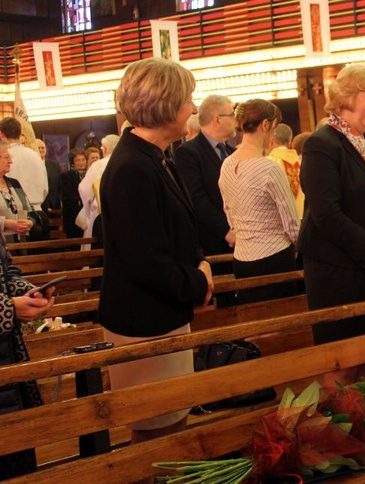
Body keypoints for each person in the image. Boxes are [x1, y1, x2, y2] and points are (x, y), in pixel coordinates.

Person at [98, 57, 213, 445]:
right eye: (188, 99)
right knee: (156, 428)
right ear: (164, 103)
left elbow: (181, 224)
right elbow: (144, 260)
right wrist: (197, 283)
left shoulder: (159, 156)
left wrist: (200, 261)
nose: (194, 108)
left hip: (164, 309)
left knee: (173, 419)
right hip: (143, 319)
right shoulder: (132, 166)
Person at [298, 64, 365, 387]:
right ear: (346, 95)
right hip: (337, 271)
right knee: (341, 364)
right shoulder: (322, 143)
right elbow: (326, 215)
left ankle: (363, 430)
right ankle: (337, 435)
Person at [219, 100, 300, 304]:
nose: (272, 136)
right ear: (265, 125)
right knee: (283, 324)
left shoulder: (227, 164)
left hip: (242, 258)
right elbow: (291, 222)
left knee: (252, 318)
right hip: (274, 256)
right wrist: (298, 245)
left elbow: (228, 210)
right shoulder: (268, 168)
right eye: (273, 128)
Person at [0, 231, 56, 480]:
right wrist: (8, 309)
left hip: (7, 360)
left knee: (17, 464)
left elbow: (6, 271)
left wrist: (30, 292)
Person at [174, 94, 236, 260]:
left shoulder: (232, 153)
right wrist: (226, 230)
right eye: (232, 114)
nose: (235, 120)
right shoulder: (188, 152)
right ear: (217, 119)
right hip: (212, 243)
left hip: (242, 240)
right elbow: (196, 199)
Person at [79, 134, 119, 249]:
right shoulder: (128, 161)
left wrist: (89, 211)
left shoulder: (98, 165)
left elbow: (84, 190)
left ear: (105, 149)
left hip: (102, 216)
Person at [0, 118, 48, 211]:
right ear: (20, 134)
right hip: (37, 210)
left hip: (15, 212)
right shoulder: (35, 155)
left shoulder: (3, 156)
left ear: (1, 134)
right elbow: (45, 188)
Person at [267, 123, 304, 219]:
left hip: (280, 220)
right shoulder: (302, 162)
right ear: (290, 142)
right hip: (303, 217)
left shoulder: (268, 163)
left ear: (271, 140)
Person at [0, 142, 35, 243]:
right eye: (6, 157)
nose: (10, 161)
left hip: (22, 244)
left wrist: (30, 222)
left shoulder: (14, 183)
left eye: (10, 157)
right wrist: (5, 223)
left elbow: (31, 210)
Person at [60, 147, 87, 238]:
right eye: (78, 160)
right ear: (72, 162)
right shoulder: (66, 176)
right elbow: (68, 195)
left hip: (86, 213)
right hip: (73, 214)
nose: (81, 162)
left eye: (83, 160)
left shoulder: (89, 173)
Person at [37, 139, 61, 211]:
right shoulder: (30, 165)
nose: (41, 150)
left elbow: (59, 185)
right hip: (39, 204)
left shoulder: (54, 165)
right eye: (38, 148)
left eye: (43, 147)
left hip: (54, 204)